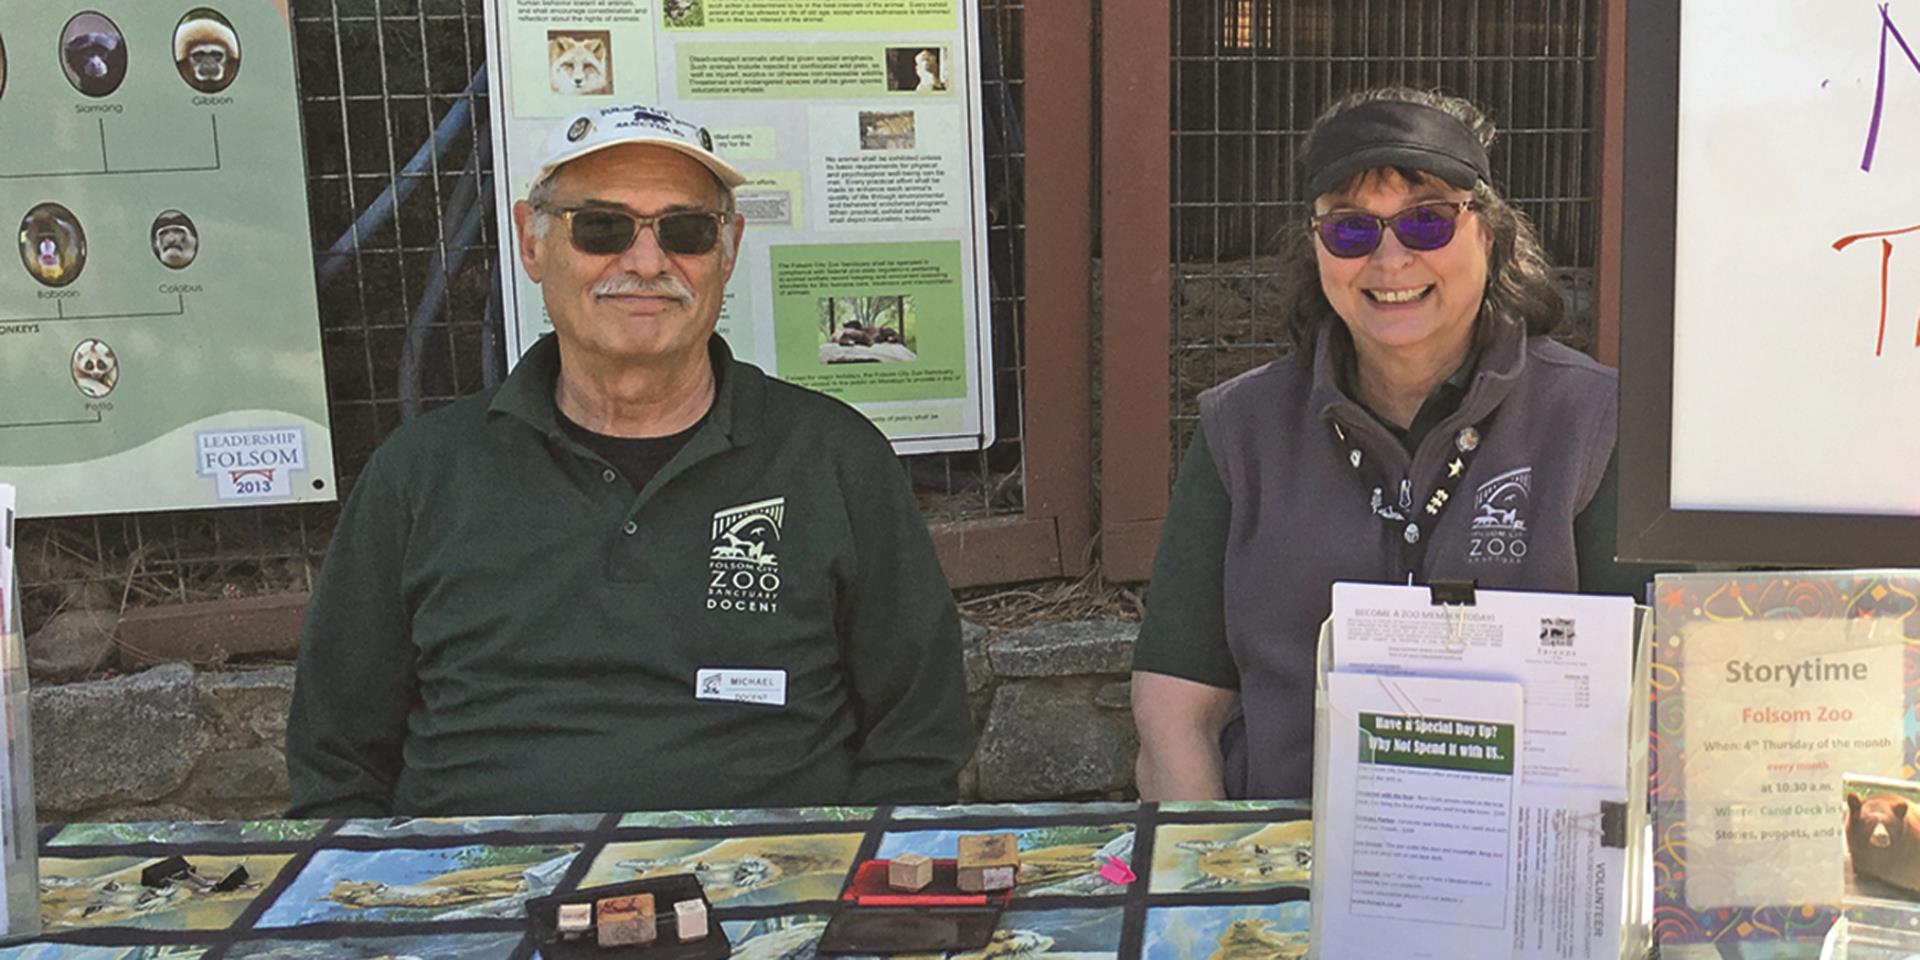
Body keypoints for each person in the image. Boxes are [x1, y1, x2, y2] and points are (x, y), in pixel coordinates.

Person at [287, 103, 975, 816]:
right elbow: (335, 761)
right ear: (531, 242)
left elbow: (917, 743)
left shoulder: (833, 458)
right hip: (481, 896)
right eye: (602, 228)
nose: (647, 262)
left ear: (729, 249)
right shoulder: (422, 474)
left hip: (765, 895)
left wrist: (851, 891)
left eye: (686, 231)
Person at [1130, 87, 1656, 800]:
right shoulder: (1239, 431)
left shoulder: (1597, 423)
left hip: (1533, 877)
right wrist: (1221, 891)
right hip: (1289, 871)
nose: (1390, 259)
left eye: (1428, 223)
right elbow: (1173, 711)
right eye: (1350, 230)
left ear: (1490, 236)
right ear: (1317, 248)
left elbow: (1666, 698)